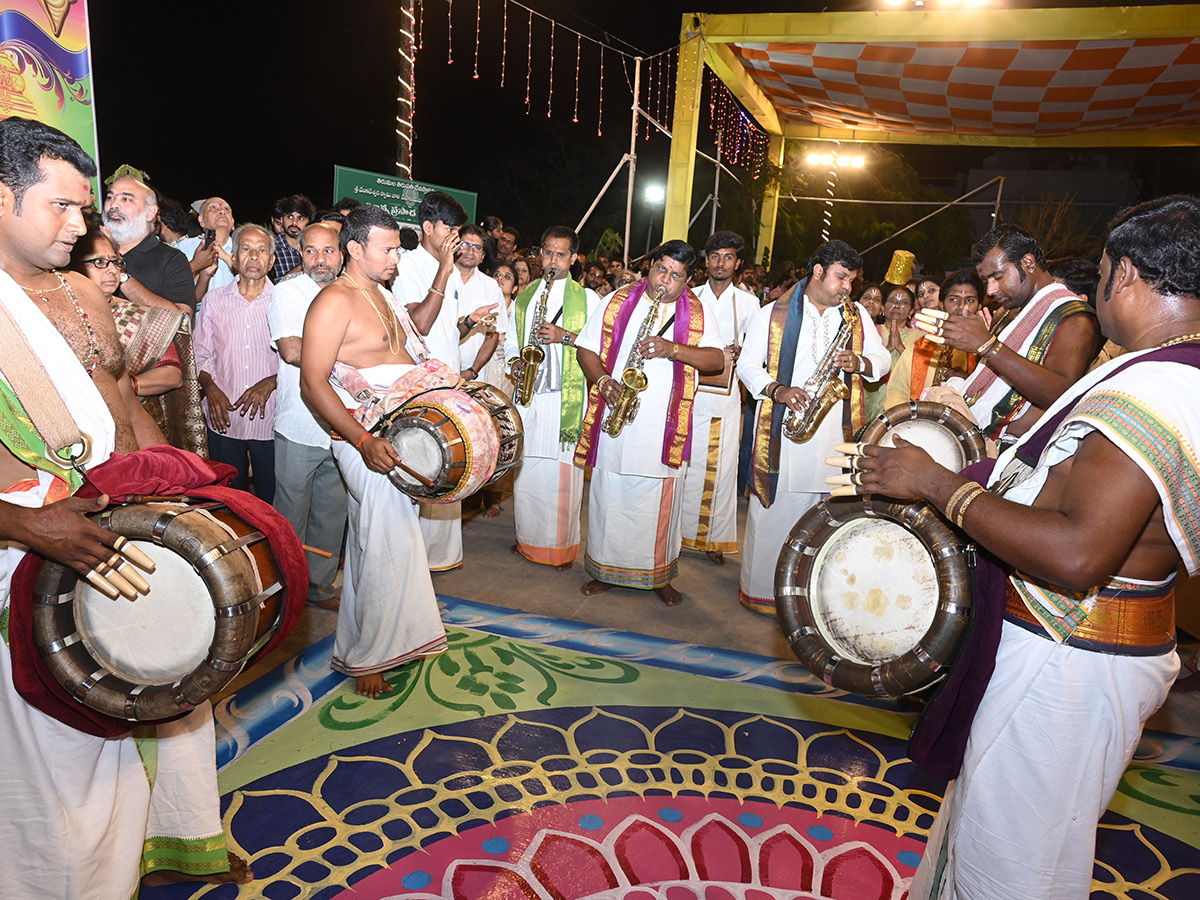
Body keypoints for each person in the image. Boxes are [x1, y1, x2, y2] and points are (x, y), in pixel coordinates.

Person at [839, 194, 1200, 899]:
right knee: (1003, 835)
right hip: (1083, 651)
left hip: (1069, 660)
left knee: (1012, 864)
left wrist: (941, 485)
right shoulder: (1169, 373)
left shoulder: (1155, 391)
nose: (1096, 293)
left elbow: (1077, 554)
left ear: (1125, 274)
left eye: (1098, 274)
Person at [0, 116, 250, 899]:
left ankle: (166, 841)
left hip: (111, 518)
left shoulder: (79, 290)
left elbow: (121, 404)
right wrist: (23, 524)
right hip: (29, 544)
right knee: (63, 750)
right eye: (62, 207)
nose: (81, 226)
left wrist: (166, 490)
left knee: (171, 688)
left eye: (87, 209)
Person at [299, 205, 447, 698]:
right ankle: (368, 658)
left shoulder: (383, 295)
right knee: (379, 540)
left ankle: (389, 642)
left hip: (398, 434)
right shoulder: (334, 301)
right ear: (356, 250)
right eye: (388, 249)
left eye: (398, 248)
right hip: (367, 439)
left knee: (391, 540)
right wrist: (363, 441)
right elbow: (312, 383)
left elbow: (406, 354)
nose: (396, 257)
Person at [736, 240, 890, 615]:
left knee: (825, 516)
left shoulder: (856, 317)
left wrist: (861, 362)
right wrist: (779, 390)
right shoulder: (771, 313)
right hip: (784, 431)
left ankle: (808, 597)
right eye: (841, 277)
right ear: (818, 271)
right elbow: (747, 366)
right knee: (776, 512)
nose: (847, 288)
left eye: (851, 280)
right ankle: (764, 594)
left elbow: (882, 359)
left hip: (834, 432)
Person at [574, 240, 725, 605]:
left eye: (676, 276)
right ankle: (603, 570)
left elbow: (716, 361)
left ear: (687, 280)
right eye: (661, 269)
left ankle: (658, 576)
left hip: (663, 428)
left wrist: (671, 349)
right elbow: (585, 349)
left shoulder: (699, 312)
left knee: (658, 505)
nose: (665, 280)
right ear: (650, 266)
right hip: (617, 419)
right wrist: (604, 381)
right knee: (610, 497)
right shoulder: (618, 299)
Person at [923, 224, 1099, 447]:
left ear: (1027, 263)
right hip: (977, 431)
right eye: (986, 281)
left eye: (997, 276)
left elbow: (1059, 393)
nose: (990, 291)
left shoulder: (1074, 318)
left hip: (1009, 448)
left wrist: (987, 346)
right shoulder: (1012, 313)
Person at [395, 192, 496, 571]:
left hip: (449, 380)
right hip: (421, 382)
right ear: (428, 227)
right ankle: (414, 560)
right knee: (423, 466)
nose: (455, 237)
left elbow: (444, 329)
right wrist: (442, 269)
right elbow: (417, 324)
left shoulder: (448, 268)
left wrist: (470, 321)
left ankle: (440, 558)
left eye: (458, 229)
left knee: (450, 465)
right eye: (450, 229)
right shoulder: (408, 266)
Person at [506, 226, 602, 568]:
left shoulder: (589, 299)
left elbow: (601, 347)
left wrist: (565, 336)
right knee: (528, 473)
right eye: (548, 252)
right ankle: (528, 539)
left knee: (562, 478)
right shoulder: (525, 296)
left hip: (565, 399)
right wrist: (515, 363)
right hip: (530, 396)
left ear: (573, 259)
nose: (553, 260)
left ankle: (560, 548)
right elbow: (509, 343)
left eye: (561, 254)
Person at [268, 222, 347, 611]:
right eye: (311, 251)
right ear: (300, 254)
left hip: (344, 426)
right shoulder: (287, 292)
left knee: (332, 513)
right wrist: (352, 350)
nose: (320, 259)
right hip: (299, 424)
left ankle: (318, 586)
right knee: (290, 515)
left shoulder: (355, 294)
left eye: (328, 251)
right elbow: (293, 351)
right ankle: (285, 588)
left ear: (342, 253)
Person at [679, 230, 759, 565]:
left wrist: (744, 351)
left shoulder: (749, 303)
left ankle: (712, 540)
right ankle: (676, 535)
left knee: (719, 469)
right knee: (683, 465)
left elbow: (759, 354)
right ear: (705, 260)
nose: (720, 263)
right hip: (688, 391)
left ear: (738, 263)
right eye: (714, 256)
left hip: (726, 397)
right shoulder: (689, 296)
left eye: (727, 257)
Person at [193, 223, 278, 500]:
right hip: (223, 415)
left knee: (271, 498)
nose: (254, 256)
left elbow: (300, 359)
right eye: (246, 249)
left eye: (261, 250)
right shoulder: (215, 300)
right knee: (230, 499)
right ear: (235, 257)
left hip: (271, 418)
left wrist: (270, 382)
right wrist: (210, 388)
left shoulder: (283, 302)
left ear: (272, 260)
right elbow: (200, 352)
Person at [885, 269, 982, 409]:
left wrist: (969, 380)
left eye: (970, 300)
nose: (961, 306)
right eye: (954, 299)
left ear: (979, 306)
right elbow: (897, 392)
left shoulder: (986, 349)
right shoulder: (921, 346)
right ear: (941, 305)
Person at [101, 172, 196, 313]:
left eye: (126, 199)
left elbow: (181, 320)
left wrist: (121, 275)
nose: (114, 204)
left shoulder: (171, 259)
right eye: (110, 197)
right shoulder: (87, 252)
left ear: (151, 212)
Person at [177, 196, 236, 306]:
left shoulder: (244, 251)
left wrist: (227, 257)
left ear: (233, 222)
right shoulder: (183, 248)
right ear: (201, 220)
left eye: (226, 209)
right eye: (213, 207)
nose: (222, 211)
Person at [271, 193, 315, 282]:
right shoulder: (272, 248)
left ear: (309, 222)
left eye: (301, 218)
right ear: (282, 219)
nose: (294, 223)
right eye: (290, 217)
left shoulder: (316, 249)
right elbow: (275, 287)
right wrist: (303, 265)